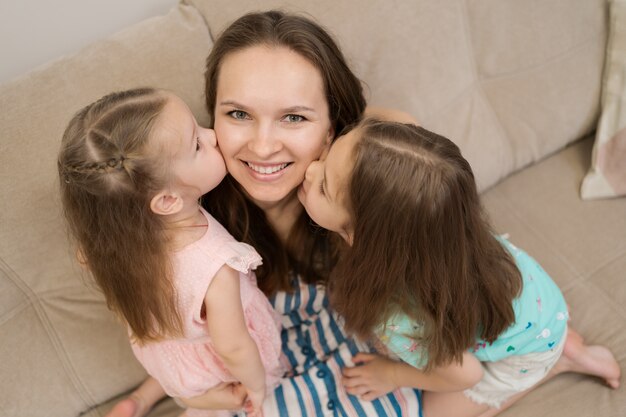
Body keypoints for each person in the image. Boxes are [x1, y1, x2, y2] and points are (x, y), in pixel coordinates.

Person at [105, 10, 425, 417]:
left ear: (332, 128)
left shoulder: (356, 188)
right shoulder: (189, 209)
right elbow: (181, 328)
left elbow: (408, 128)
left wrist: (352, 136)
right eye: (239, 114)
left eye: (294, 117)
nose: (262, 146)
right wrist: (151, 397)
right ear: (212, 116)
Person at [297, 118, 622, 417]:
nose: (310, 169)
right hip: (541, 305)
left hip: (530, 348)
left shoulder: (396, 316)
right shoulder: (442, 230)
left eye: (324, 187)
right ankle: (561, 344)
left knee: (437, 413)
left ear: (365, 236)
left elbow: (467, 373)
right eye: (326, 156)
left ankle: (559, 363)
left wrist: (391, 374)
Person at [58, 88, 285, 417]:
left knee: (184, 370)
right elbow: (234, 347)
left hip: (166, 355)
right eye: (197, 143)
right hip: (213, 368)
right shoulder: (215, 266)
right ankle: (204, 405)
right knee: (219, 399)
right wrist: (257, 388)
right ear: (168, 201)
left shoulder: (106, 246)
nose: (212, 135)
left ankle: (141, 399)